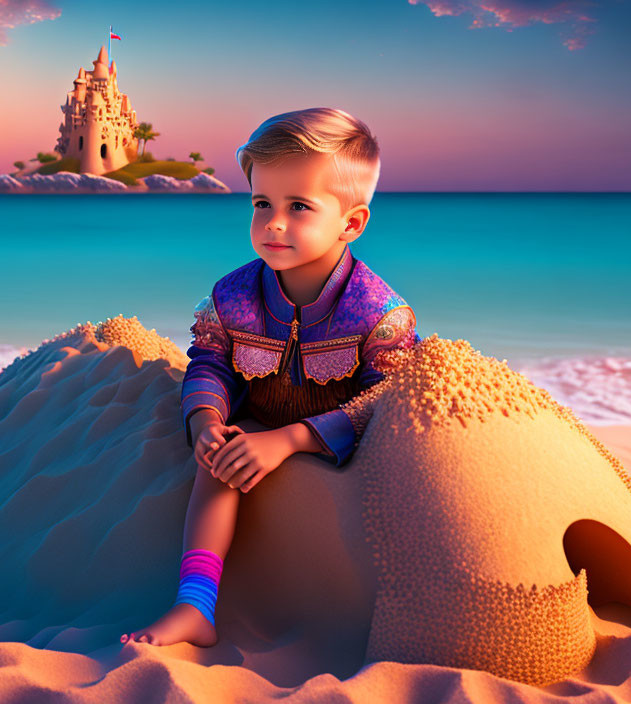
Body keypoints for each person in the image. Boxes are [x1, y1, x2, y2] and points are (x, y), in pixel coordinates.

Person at [121, 107, 420, 648]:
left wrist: (292, 440)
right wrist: (207, 419)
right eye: (262, 204)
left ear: (351, 223)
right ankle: (195, 605)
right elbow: (210, 359)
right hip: (258, 422)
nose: (273, 223)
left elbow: (386, 401)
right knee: (220, 463)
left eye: (299, 207)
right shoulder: (233, 294)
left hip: (339, 444)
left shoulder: (379, 311)